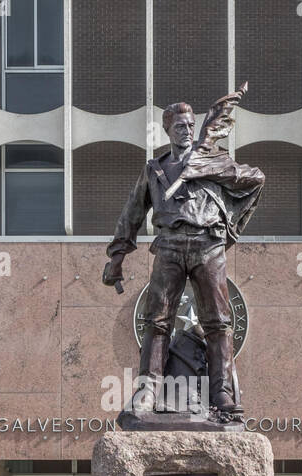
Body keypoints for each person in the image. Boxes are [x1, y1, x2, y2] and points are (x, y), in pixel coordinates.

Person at [102, 93, 265, 418]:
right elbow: (132, 213)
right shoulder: (156, 169)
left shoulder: (215, 159)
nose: (186, 130)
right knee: (156, 321)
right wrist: (117, 257)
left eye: (190, 125)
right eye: (179, 126)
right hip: (170, 245)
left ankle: (221, 393)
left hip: (209, 245)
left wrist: (215, 170)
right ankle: (147, 392)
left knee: (218, 323)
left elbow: (256, 179)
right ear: (168, 130)